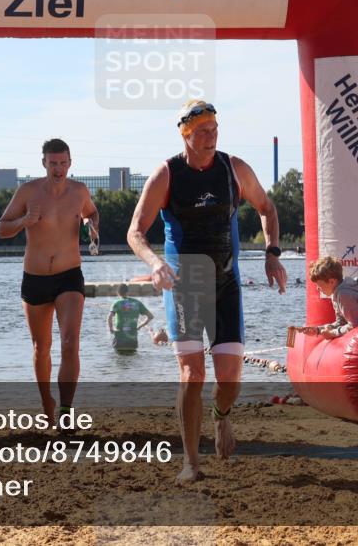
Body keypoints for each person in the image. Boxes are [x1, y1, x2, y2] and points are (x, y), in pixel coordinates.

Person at [127, 99, 287, 483]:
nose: (210, 137)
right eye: (202, 132)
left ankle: (222, 418)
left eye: (214, 130)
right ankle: (191, 463)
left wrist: (272, 253)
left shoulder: (234, 169)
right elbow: (135, 231)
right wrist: (154, 263)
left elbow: (266, 207)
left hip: (227, 283)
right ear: (185, 135)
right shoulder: (166, 174)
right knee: (191, 374)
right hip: (184, 285)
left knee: (229, 381)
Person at [0, 138, 99, 423]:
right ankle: (47, 402)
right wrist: (24, 221)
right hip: (36, 278)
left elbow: (91, 212)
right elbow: (2, 228)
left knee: (70, 342)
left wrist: (92, 226)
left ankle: (67, 410)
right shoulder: (28, 191)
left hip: (69, 276)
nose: (58, 168)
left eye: (63, 163)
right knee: (41, 348)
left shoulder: (79, 191)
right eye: (53, 163)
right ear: (44, 163)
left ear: (70, 162)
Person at [106, 284, 154, 353]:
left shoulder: (117, 303)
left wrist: (111, 329)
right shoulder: (137, 303)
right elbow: (150, 316)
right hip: (132, 339)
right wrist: (139, 327)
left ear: (118, 293)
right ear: (127, 292)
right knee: (132, 360)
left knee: (119, 360)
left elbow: (109, 317)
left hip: (119, 339)